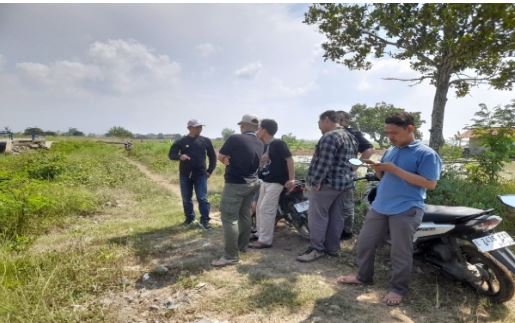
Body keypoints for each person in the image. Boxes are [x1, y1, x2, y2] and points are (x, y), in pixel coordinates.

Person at [336, 112, 442, 306]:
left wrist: (394, 169)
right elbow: (383, 178)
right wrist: (377, 167)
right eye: (387, 133)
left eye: (394, 133)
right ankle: (363, 276)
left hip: (407, 208)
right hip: (381, 206)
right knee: (365, 243)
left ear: (410, 128)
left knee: (400, 251)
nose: (390, 137)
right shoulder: (391, 150)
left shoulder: (426, 153)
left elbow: (430, 183)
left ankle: (398, 289)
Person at [297, 110, 357, 262]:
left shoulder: (330, 136)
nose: (319, 126)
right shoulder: (350, 137)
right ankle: (332, 248)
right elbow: (352, 162)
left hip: (327, 184)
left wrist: (314, 181)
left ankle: (317, 249)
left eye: (319, 123)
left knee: (317, 215)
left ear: (326, 120)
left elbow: (323, 163)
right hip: (344, 184)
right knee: (336, 216)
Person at [211, 114, 264, 267]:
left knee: (229, 218)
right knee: (245, 215)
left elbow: (221, 156)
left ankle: (230, 256)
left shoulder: (235, 138)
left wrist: (225, 160)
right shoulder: (260, 142)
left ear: (242, 126)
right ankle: (242, 246)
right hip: (252, 183)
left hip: (236, 184)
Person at [249, 119, 295, 249]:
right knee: (258, 208)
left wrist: (291, 179)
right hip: (266, 180)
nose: (257, 131)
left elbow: (290, 160)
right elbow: (264, 160)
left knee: (266, 209)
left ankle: (265, 240)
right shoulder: (267, 145)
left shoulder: (279, 143)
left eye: (258, 128)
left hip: (277, 182)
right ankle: (259, 233)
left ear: (264, 130)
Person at [168, 119, 216, 230]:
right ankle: (189, 219)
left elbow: (212, 157)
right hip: (185, 175)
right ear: (189, 128)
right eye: (197, 127)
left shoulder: (206, 141)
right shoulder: (181, 141)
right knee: (186, 198)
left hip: (201, 175)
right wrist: (180, 156)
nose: (200, 129)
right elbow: (171, 154)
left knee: (202, 198)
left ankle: (205, 221)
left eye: (200, 127)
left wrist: (209, 171)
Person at [336, 110, 375, 240]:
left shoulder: (352, 133)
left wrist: (355, 166)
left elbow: (369, 150)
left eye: (341, 120)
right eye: (336, 119)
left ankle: (346, 232)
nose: (339, 122)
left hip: (346, 175)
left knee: (346, 204)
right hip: (334, 176)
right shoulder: (335, 133)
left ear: (346, 121)